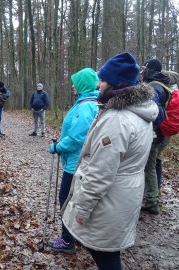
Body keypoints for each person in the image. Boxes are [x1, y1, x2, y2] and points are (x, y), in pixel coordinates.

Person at [61, 52, 158, 269]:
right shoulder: (138, 111)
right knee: (106, 251)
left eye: (103, 80)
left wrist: (82, 209)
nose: (98, 84)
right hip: (124, 192)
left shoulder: (117, 119)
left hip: (111, 198)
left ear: (115, 84)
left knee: (104, 253)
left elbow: (100, 173)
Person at [48, 68, 99, 254]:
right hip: (82, 161)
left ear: (83, 85)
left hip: (76, 164)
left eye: (75, 83)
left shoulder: (86, 106)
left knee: (66, 199)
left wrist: (57, 147)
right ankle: (75, 236)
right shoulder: (91, 102)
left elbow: (78, 137)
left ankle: (67, 240)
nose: (72, 86)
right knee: (75, 199)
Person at [140, 59, 171, 215]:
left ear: (151, 69)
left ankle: (151, 201)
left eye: (145, 68)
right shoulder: (163, 85)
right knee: (155, 163)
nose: (143, 70)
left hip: (154, 134)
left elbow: (152, 111)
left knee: (149, 167)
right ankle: (153, 195)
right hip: (160, 133)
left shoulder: (153, 87)